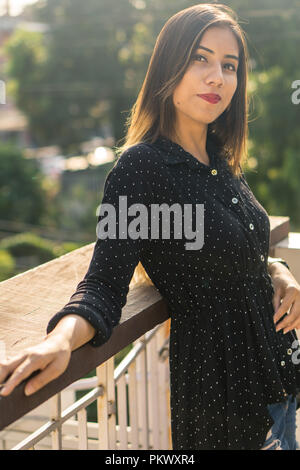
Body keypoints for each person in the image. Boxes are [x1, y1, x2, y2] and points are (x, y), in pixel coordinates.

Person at [0, 3, 300, 450]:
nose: (218, 76)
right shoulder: (141, 169)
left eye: (229, 65)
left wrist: (277, 269)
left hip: (280, 377)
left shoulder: (220, 161)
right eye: (200, 58)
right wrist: (60, 340)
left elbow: (239, 247)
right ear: (168, 67)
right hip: (224, 405)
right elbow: (103, 283)